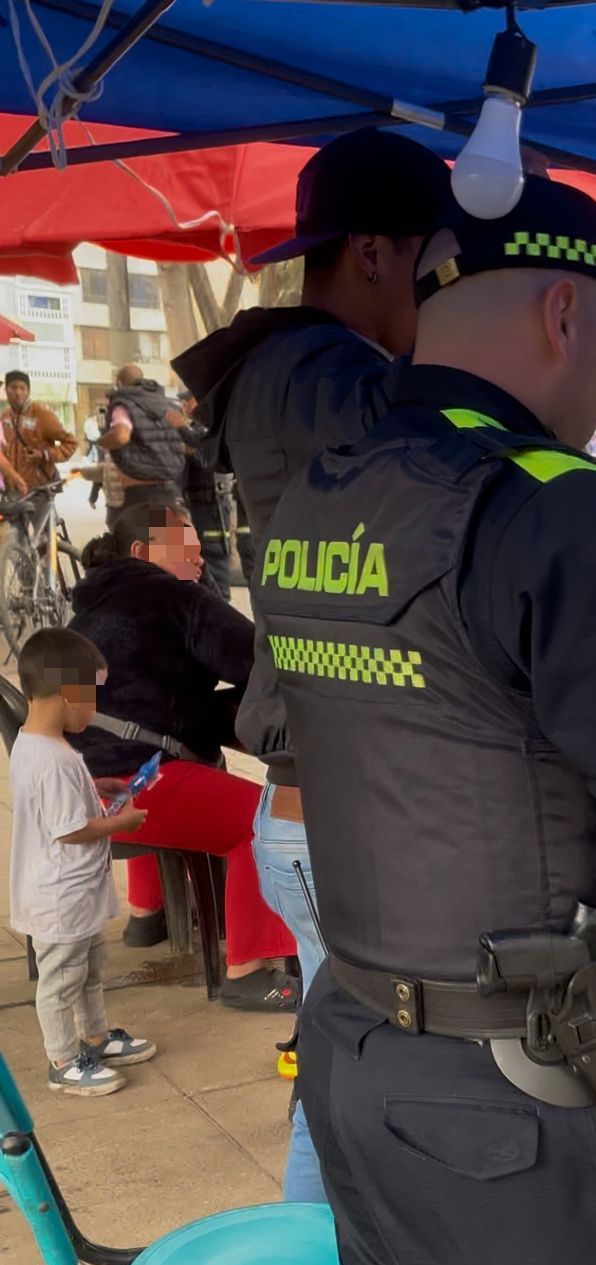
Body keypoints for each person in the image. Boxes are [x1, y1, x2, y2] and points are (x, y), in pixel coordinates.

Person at [257, 176, 596, 1265]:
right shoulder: (544, 500)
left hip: (356, 1041)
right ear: (565, 313)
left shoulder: (324, 489)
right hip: (515, 1093)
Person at [172, 126, 451, 1202]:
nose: (448, 287)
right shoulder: (333, 377)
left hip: (312, 806)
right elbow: (440, 466)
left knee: (342, 1076)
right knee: (362, 1100)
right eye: (437, 259)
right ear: (374, 252)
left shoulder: (284, 371)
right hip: (340, 818)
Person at [69, 503, 297, 1010]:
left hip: (78, 785)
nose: (197, 554)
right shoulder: (172, 596)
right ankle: (249, 970)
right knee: (263, 819)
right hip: (135, 785)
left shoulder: (92, 599)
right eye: (184, 544)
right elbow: (258, 661)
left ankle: (148, 915)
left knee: (164, 742)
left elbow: (149, 700)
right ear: (141, 551)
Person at [8, 627, 156, 1096]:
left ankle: (94, 1036)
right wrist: (121, 823)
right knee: (61, 980)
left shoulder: (40, 745)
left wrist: (97, 787)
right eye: (92, 694)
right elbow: (69, 829)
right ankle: (63, 1060)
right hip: (60, 899)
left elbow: (61, 803)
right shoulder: (51, 759)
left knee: (89, 968)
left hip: (72, 895)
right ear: (68, 694)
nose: (95, 706)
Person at [97, 365, 188, 510]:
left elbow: (121, 436)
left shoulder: (123, 405)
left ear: (119, 384)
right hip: (169, 487)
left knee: (130, 523)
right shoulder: (170, 405)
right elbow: (186, 444)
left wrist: (102, 441)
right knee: (164, 524)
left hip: (138, 487)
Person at [176, 389, 232, 600]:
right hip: (194, 504)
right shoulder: (195, 430)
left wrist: (180, 427)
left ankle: (221, 603)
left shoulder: (210, 428)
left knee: (213, 555)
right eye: (183, 402)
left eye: (189, 401)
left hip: (211, 505)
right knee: (194, 557)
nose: (185, 406)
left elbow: (204, 450)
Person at [0, 370, 77, 496]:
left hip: (39, 490)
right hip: (11, 490)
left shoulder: (42, 414)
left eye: (22, 388)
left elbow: (71, 443)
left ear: (28, 391)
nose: (18, 393)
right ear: (6, 390)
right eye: (13, 387)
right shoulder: (4, 417)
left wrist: (44, 455)